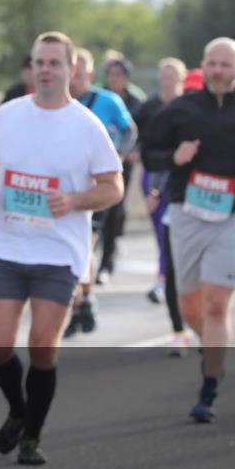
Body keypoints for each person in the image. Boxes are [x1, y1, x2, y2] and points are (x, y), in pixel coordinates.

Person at [0, 31, 123, 464]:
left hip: (58, 252)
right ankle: (19, 411)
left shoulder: (87, 125)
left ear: (71, 70)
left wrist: (75, 200)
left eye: (55, 63)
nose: (45, 70)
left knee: (42, 345)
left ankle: (31, 438)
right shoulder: (7, 115)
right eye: (40, 62)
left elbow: (113, 186)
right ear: (32, 67)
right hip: (8, 243)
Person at [142, 37, 235, 423]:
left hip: (232, 217)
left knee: (218, 302)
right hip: (186, 214)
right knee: (190, 304)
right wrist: (175, 157)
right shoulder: (180, 111)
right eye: (213, 64)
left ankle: (209, 387)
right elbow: (148, 150)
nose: (219, 71)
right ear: (203, 66)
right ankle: (210, 347)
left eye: (226, 65)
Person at [64, 48, 136, 336]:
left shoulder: (107, 101)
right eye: (70, 72)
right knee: (72, 248)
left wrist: (116, 155)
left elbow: (129, 130)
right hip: (62, 186)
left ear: (90, 75)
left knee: (85, 242)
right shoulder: (55, 103)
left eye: (79, 73)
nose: (73, 78)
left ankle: (81, 302)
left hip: (95, 188)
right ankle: (82, 300)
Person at [133, 58, 186, 304]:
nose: (168, 79)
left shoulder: (189, 105)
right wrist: (133, 150)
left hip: (181, 179)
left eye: (173, 74)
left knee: (176, 231)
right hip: (153, 174)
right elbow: (133, 133)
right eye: (164, 75)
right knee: (160, 231)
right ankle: (164, 277)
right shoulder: (149, 106)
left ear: (181, 77)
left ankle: (170, 279)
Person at [101, 57, 146, 283]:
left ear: (126, 79)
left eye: (118, 75)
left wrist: (134, 150)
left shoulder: (137, 102)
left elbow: (142, 131)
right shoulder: (98, 98)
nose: (114, 79)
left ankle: (107, 262)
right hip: (95, 165)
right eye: (111, 75)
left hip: (121, 165)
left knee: (114, 209)